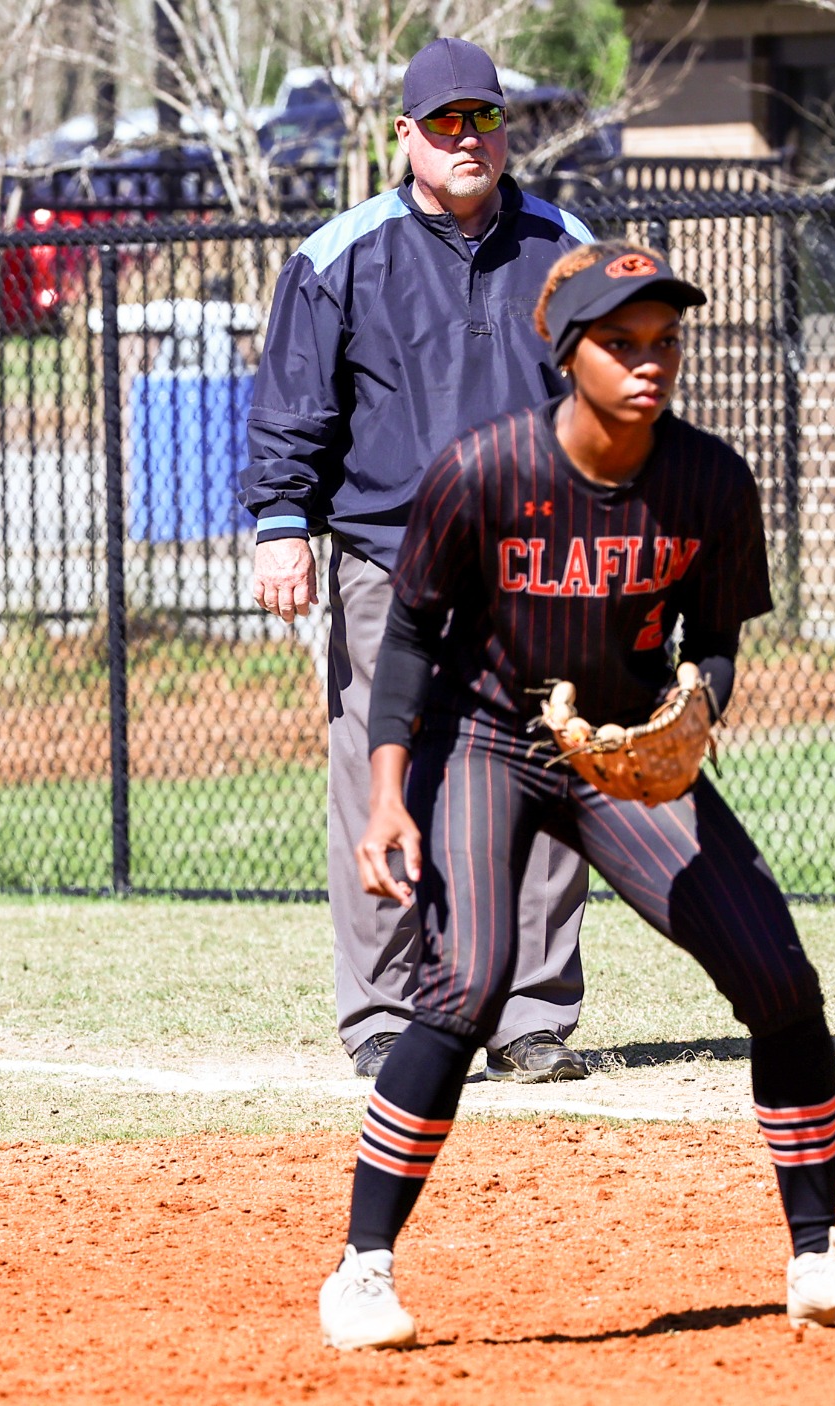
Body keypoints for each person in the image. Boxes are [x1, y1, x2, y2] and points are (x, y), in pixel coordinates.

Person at [315, 244, 835, 1350]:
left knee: (778, 978)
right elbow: (406, 639)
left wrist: (695, 706)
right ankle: (362, 1267)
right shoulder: (484, 471)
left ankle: (817, 1254)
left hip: (622, 753)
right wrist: (386, 795)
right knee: (467, 985)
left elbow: (715, 638)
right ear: (566, 356)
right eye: (619, 342)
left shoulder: (708, 479)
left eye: (664, 342)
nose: (649, 362)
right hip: (487, 738)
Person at [243, 37, 599, 1082]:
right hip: (388, 558)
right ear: (405, 135)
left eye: (482, 118)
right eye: (444, 122)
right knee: (381, 775)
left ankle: (528, 1015)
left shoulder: (567, 246)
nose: (466, 138)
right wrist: (281, 525)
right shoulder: (340, 255)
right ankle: (385, 1015)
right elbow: (294, 406)